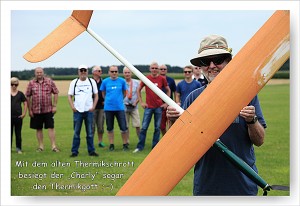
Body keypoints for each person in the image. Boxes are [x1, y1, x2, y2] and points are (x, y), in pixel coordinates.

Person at [167, 34, 266, 195]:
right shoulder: (193, 97)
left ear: (228, 62)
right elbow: (177, 145)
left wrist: (252, 120)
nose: (212, 66)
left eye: (218, 59)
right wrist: (172, 120)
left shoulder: (246, 95)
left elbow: (260, 140)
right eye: (206, 62)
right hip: (206, 187)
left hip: (242, 187)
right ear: (200, 66)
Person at [133, 62, 170, 153]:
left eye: (156, 68)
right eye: (152, 68)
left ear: (158, 69)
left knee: (157, 128)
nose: (154, 69)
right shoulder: (147, 78)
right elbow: (138, 89)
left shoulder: (162, 79)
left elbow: (168, 90)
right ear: (150, 69)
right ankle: (140, 147)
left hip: (159, 107)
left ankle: (155, 147)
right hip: (148, 107)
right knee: (144, 127)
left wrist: (166, 103)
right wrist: (141, 102)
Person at [26, 67, 60, 152]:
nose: (39, 74)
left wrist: (55, 105)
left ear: (43, 73)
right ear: (35, 73)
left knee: (51, 127)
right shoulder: (31, 83)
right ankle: (41, 146)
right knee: (38, 128)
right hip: (36, 110)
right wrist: (29, 110)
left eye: (40, 72)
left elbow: (56, 92)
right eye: (37, 72)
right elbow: (28, 96)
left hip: (48, 110)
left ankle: (53, 146)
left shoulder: (49, 81)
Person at [68, 65, 99, 157]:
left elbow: (96, 95)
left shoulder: (91, 81)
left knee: (89, 133)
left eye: (84, 70)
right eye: (81, 70)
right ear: (78, 71)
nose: (83, 72)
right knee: (76, 133)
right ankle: (74, 151)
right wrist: (72, 107)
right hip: (77, 111)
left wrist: (93, 106)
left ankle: (91, 151)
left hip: (88, 111)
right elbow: (69, 96)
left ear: (87, 71)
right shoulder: (74, 82)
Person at [100, 65, 129, 151]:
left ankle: (125, 144)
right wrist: (108, 100)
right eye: (112, 71)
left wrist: (119, 100)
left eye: (115, 71)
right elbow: (103, 93)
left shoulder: (122, 81)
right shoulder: (105, 82)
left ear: (118, 72)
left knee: (123, 128)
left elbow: (124, 93)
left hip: (120, 108)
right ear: (109, 72)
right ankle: (111, 144)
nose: (114, 73)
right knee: (109, 128)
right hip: (108, 108)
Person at [123, 67, 141, 142]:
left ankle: (141, 140)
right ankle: (127, 141)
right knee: (126, 126)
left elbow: (139, 94)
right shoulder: (122, 82)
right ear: (123, 73)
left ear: (131, 73)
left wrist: (136, 102)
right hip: (124, 107)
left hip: (134, 107)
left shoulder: (136, 82)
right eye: (125, 72)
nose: (127, 74)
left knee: (137, 125)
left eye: (128, 72)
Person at [159, 64, 177, 136]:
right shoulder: (157, 79)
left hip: (170, 105)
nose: (163, 70)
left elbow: (175, 91)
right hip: (160, 106)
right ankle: (165, 137)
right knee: (162, 126)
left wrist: (175, 102)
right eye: (161, 69)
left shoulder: (171, 80)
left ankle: (171, 137)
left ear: (166, 70)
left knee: (171, 123)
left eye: (164, 69)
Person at [11, 77, 27, 154]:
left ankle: (18, 148)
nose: (14, 86)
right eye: (12, 84)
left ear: (18, 84)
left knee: (18, 133)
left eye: (15, 84)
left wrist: (24, 113)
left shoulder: (20, 94)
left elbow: (25, 103)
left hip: (18, 117)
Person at [92, 65, 105, 148]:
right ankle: (91, 142)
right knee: (92, 126)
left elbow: (106, 92)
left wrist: (105, 100)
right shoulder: (90, 82)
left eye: (100, 71)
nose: (100, 72)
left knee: (100, 126)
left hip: (101, 107)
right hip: (92, 107)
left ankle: (100, 141)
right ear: (94, 72)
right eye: (99, 71)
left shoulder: (103, 82)